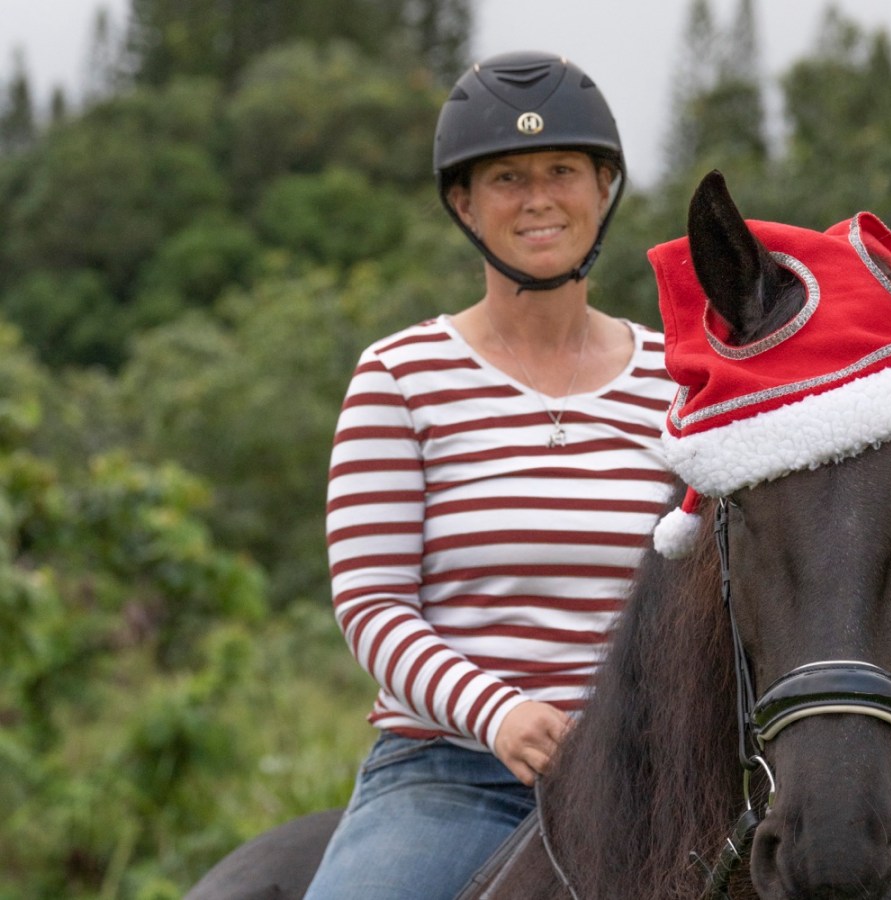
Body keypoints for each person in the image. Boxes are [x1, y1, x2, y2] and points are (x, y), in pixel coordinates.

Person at [303, 51, 678, 900]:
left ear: (603, 189)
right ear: (464, 205)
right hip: (452, 776)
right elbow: (371, 604)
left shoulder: (677, 379)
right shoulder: (399, 377)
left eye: (562, 170)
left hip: (650, 786)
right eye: (507, 177)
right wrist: (496, 712)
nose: (539, 197)